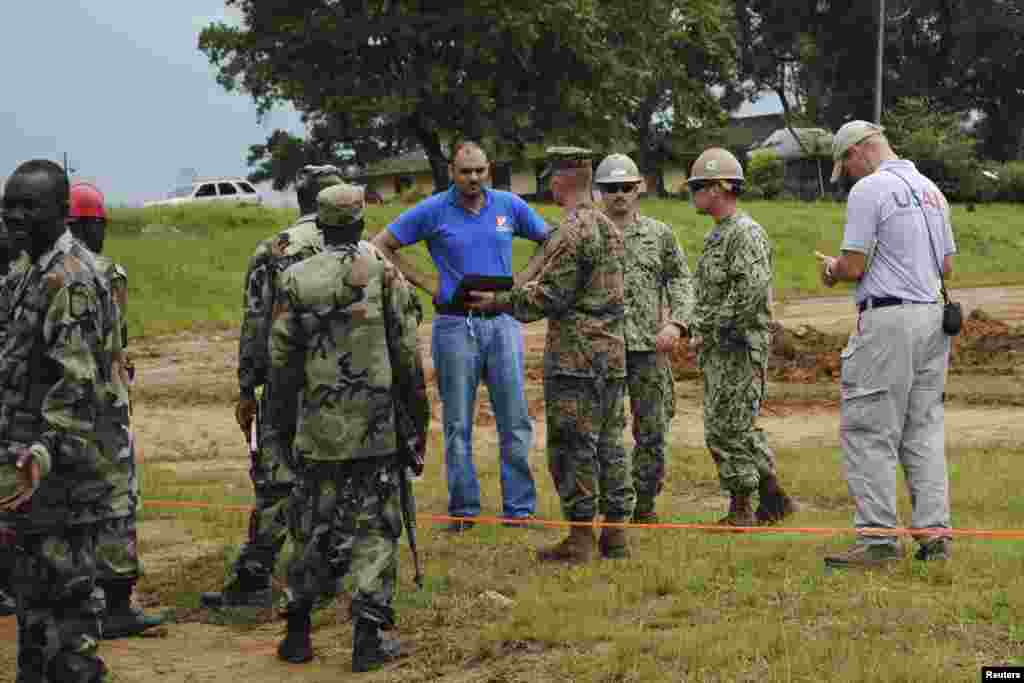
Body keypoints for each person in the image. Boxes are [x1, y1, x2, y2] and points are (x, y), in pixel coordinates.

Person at [267, 183, 429, 671]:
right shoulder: (384, 272)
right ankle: (367, 637)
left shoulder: (294, 278)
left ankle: (297, 631)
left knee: (311, 528)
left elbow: (281, 362)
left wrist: (281, 425)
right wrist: (416, 420)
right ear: (360, 223)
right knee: (376, 530)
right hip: (376, 428)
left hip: (317, 428)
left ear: (319, 225)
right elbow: (406, 356)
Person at [468, 146, 635, 561]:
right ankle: (615, 535)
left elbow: (548, 296)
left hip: (576, 360)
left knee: (573, 446)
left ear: (561, 182)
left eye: (551, 179)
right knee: (611, 444)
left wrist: (498, 302)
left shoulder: (571, 231)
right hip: (612, 356)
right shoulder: (610, 228)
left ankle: (580, 538)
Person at [372, 142, 544, 531]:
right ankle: (463, 510)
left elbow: (548, 242)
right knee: (457, 422)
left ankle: (520, 509)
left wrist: (520, 282)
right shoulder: (433, 209)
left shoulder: (509, 205)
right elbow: (382, 244)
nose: (474, 179)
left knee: (515, 418)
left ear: (489, 170)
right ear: (452, 171)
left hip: (502, 322)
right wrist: (428, 283)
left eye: (481, 170)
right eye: (466, 172)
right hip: (454, 325)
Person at [201, 165, 344, 608]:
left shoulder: (273, 251)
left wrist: (247, 388)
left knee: (277, 478)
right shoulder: (356, 249)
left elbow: (256, 326)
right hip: (343, 383)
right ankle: (331, 569)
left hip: (287, 385)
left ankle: (256, 573)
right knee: (335, 474)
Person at [816, 121, 955, 568]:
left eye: (847, 167)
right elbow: (947, 265)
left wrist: (832, 269)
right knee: (924, 429)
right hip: (934, 318)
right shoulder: (932, 189)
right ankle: (935, 538)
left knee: (868, 430)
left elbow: (855, 265)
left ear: (858, 152)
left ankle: (877, 542)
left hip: (887, 321)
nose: (850, 177)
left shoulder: (869, 191)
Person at [0, 159, 115, 682]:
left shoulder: (71, 280)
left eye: (29, 205)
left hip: (61, 476)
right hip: (26, 471)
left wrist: (43, 452)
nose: (15, 216)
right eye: (9, 205)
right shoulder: (26, 272)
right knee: (33, 599)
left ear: (61, 210)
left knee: (69, 609)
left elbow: (79, 384)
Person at [67, 182, 164, 637]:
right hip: (104, 407)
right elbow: (114, 342)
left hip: (54, 410)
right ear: (90, 225)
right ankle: (118, 603)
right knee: (116, 501)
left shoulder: (24, 273)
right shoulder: (107, 273)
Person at [688, 148, 795, 527]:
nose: (693, 194)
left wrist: (710, 330)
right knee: (735, 424)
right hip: (723, 346)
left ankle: (742, 508)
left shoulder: (744, 233)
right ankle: (772, 497)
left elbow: (748, 294)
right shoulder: (720, 234)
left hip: (737, 348)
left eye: (698, 186)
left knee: (725, 428)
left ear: (719, 188)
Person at [594, 153, 693, 523]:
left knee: (652, 429)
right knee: (605, 433)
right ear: (598, 191)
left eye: (626, 187)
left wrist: (677, 323)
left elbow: (681, 280)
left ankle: (645, 505)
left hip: (648, 349)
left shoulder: (659, 234)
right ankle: (613, 505)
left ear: (639, 189)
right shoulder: (588, 233)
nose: (619, 195)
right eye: (610, 188)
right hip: (601, 349)